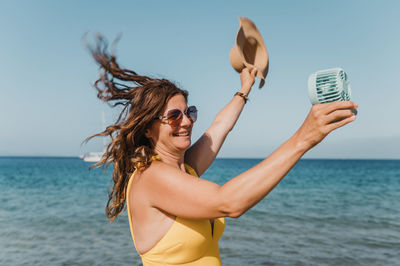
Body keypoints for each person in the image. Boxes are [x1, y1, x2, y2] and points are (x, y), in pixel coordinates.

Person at [86, 37, 358, 265]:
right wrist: (303, 139)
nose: (187, 121)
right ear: (148, 128)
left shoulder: (185, 169)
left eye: (189, 112)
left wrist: (244, 89)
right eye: (173, 116)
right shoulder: (152, 178)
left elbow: (219, 127)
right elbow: (230, 202)